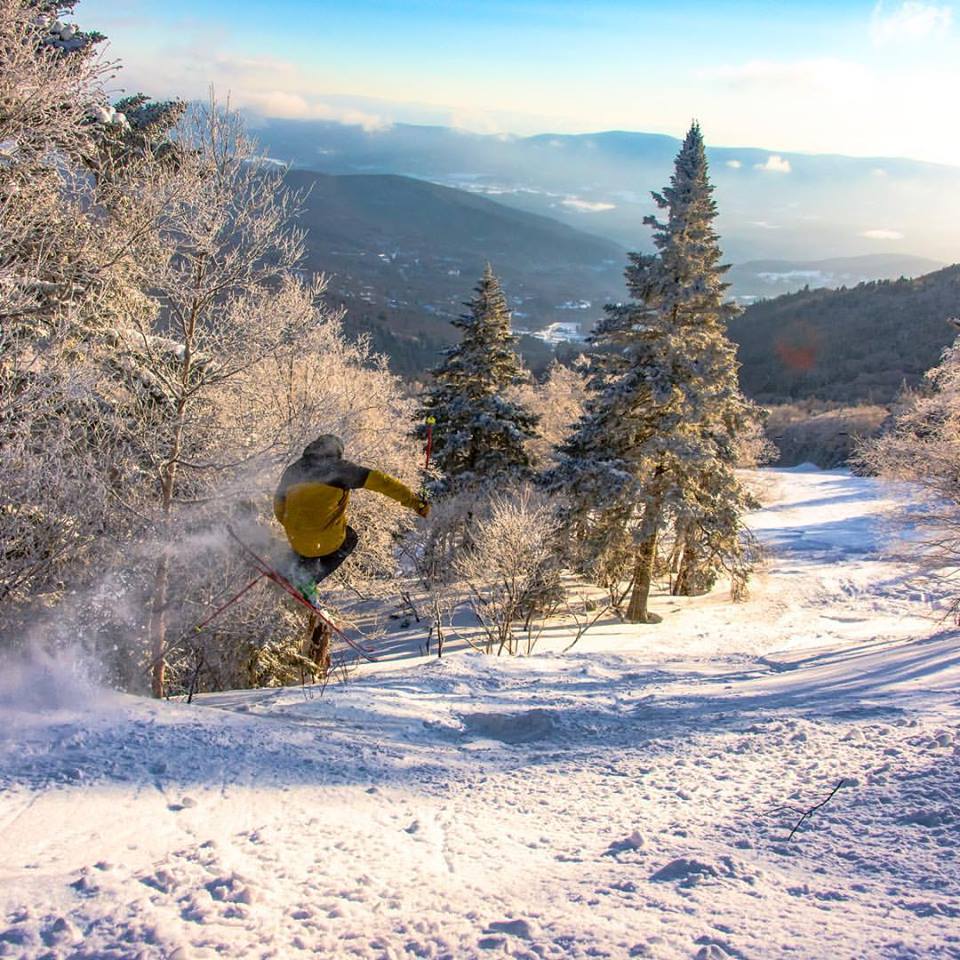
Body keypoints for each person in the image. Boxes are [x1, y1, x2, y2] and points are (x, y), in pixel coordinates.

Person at [273, 435, 429, 675]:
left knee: (304, 548)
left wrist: (293, 525)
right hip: (325, 540)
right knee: (350, 537)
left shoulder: (293, 470)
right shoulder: (340, 469)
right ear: (336, 453)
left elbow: (278, 508)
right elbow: (384, 483)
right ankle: (308, 579)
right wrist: (415, 502)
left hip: (296, 538)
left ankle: (294, 568)